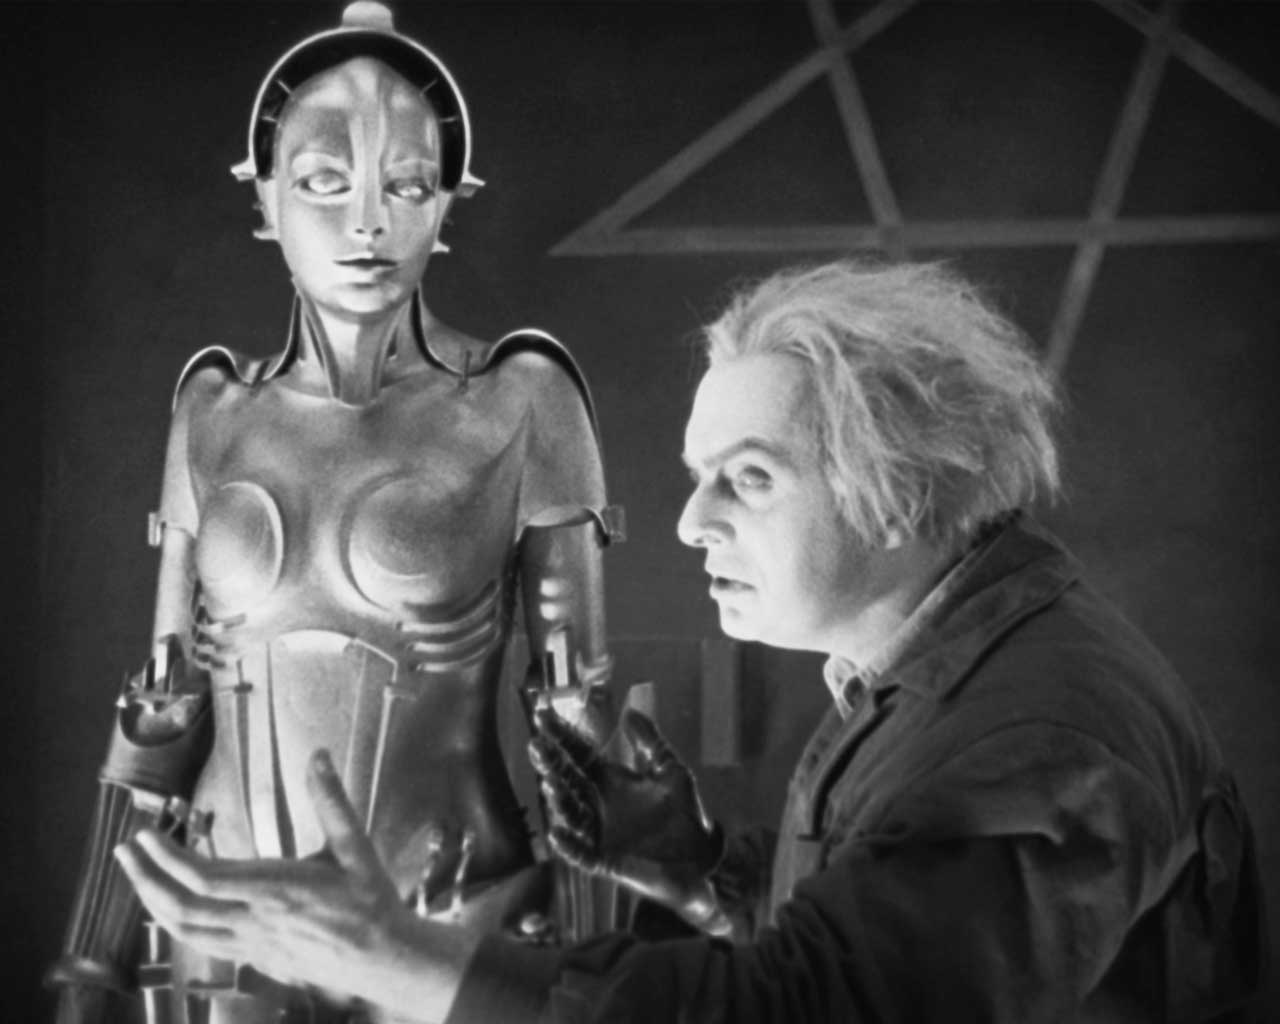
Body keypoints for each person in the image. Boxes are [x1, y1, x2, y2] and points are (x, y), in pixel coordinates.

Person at [116, 259, 1266, 1022]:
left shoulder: (1037, 732)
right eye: (696, 475)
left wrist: (398, 961)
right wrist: (696, 866)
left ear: (900, 489)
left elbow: (801, 1017)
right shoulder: (949, 673)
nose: (688, 522)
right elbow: (880, 954)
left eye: (747, 479)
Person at [50, 4, 620, 1022]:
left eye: (407, 185)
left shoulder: (522, 398)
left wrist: (590, 984)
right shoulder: (213, 409)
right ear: (264, 197)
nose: (368, 223)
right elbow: (162, 708)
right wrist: (90, 970)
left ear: (446, 205)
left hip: (450, 922)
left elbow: (576, 719)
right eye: (323, 180)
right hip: (225, 932)